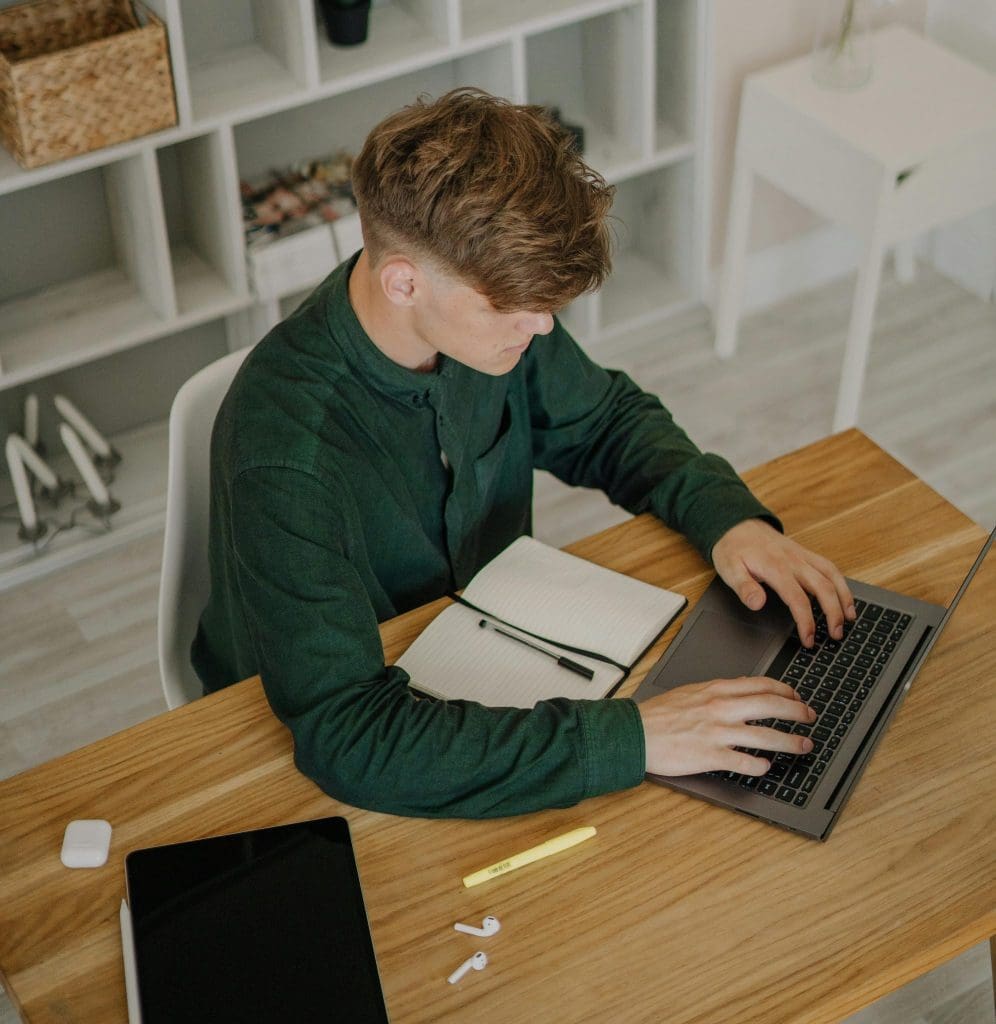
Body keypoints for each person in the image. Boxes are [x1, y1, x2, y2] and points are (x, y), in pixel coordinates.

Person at [192, 88, 855, 818]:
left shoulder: (481, 319)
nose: (541, 328)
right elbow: (351, 737)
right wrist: (635, 739)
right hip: (317, 734)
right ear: (403, 282)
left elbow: (604, 421)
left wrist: (729, 519)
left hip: (484, 647)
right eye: (514, 307)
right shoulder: (286, 454)